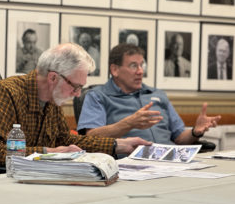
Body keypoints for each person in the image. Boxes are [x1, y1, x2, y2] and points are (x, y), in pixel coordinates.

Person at [0, 43, 151, 167]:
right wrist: (48, 152)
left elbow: (66, 141)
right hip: (1, 182)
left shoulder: (52, 100)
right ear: (53, 78)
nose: (78, 94)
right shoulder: (6, 92)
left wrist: (117, 145)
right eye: (76, 86)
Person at [77, 43, 221, 157]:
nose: (140, 71)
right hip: (131, 165)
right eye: (134, 65)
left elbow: (179, 138)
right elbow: (91, 138)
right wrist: (129, 123)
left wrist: (196, 132)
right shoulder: (97, 96)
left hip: (173, 161)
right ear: (115, 70)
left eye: (142, 65)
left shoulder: (157, 94)